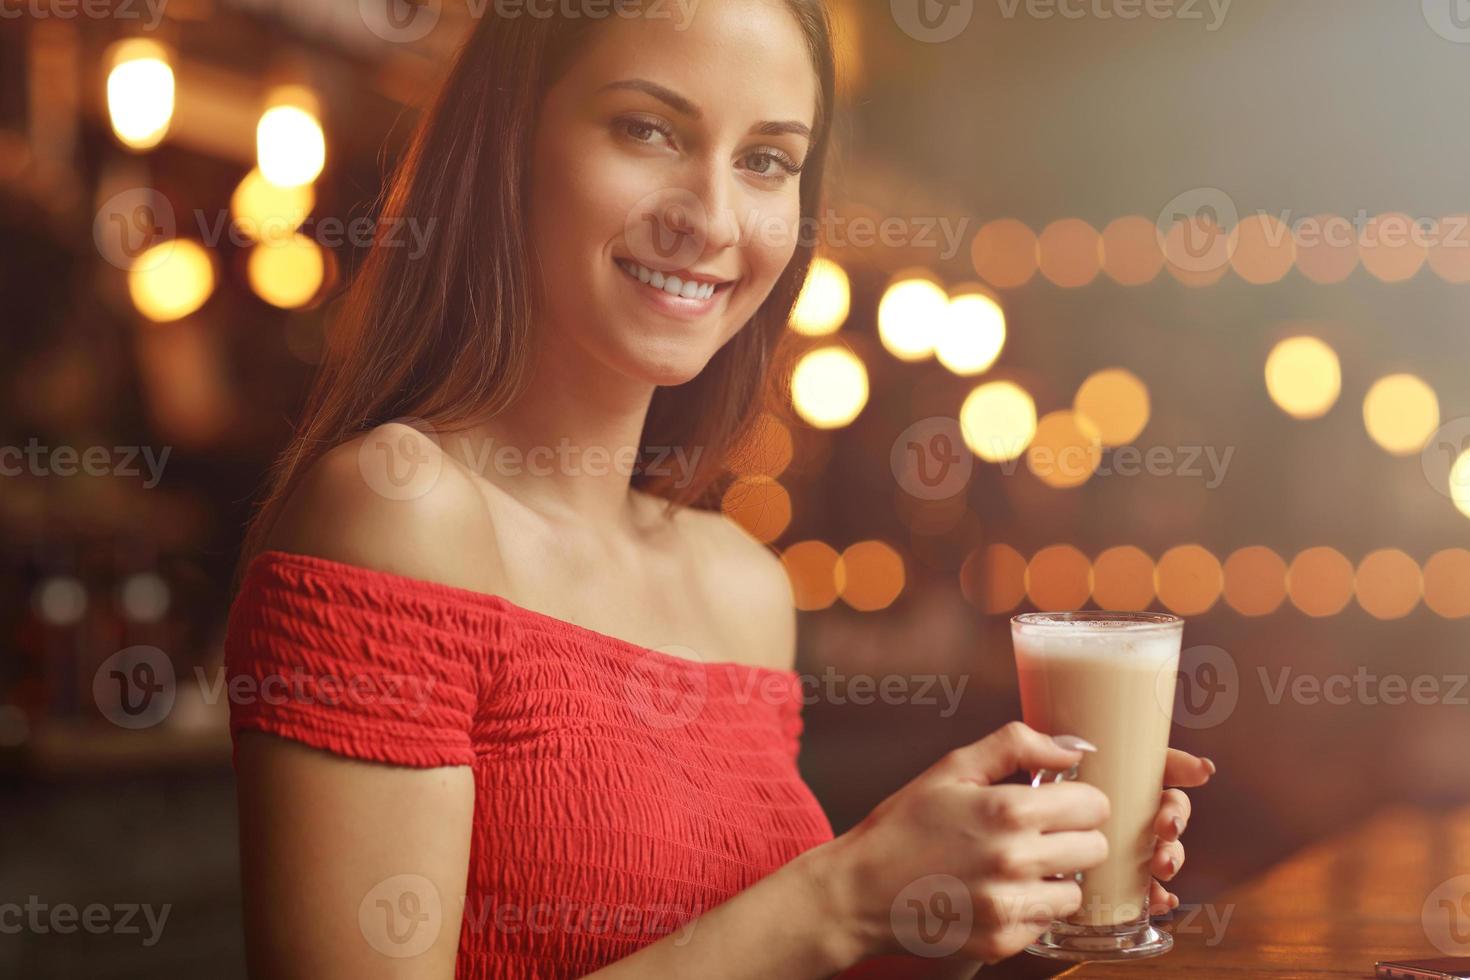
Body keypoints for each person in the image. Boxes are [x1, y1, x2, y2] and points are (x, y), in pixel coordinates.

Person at [224, 0, 1213, 976]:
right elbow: (795, 925)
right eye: (647, 129)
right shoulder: (398, 510)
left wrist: (939, 903)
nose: (710, 217)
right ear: (510, 141)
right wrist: (841, 893)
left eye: (767, 160)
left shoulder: (742, 584)